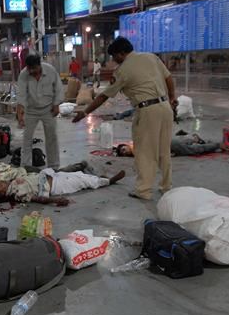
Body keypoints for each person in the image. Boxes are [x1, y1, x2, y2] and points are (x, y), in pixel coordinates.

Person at [74, 37, 177, 200]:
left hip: (147, 111)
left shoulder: (122, 71)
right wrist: (172, 97)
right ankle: (166, 186)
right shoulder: (151, 57)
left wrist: (85, 112)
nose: (114, 60)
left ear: (121, 53)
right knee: (164, 150)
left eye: (114, 56)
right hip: (165, 107)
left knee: (144, 151)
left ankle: (143, 190)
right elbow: (168, 78)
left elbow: (104, 96)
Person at [0, 162, 125, 206]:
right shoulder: (17, 194)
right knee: (82, 181)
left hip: (50, 176)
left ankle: (98, 178)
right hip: (55, 186)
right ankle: (107, 181)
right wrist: (55, 200)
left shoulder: (11, 183)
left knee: (77, 175)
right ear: (1, 192)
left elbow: (20, 172)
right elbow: (37, 199)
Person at [16, 54, 64, 170]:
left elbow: (58, 88)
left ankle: (54, 166)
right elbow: (21, 95)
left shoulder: (50, 71)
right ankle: (26, 166)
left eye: (34, 68)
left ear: (39, 65)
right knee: (27, 139)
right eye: (29, 69)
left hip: (48, 109)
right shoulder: (24, 74)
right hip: (31, 110)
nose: (32, 71)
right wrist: (20, 115)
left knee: (52, 137)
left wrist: (56, 105)